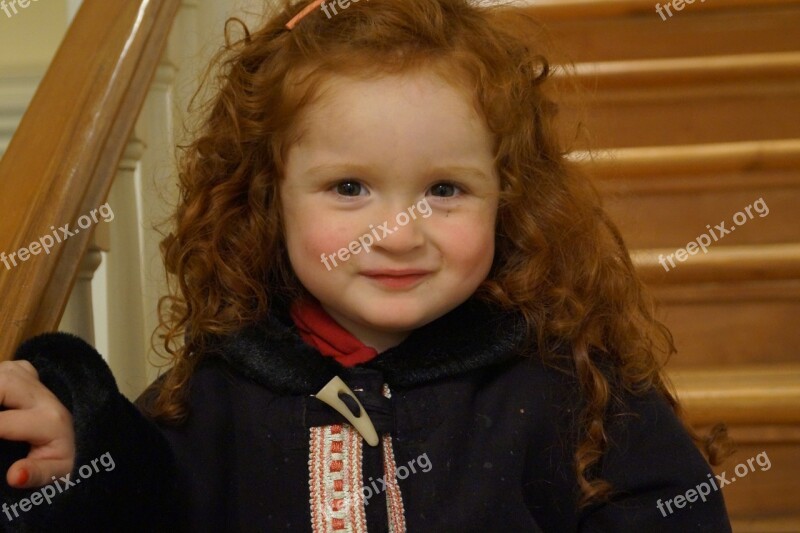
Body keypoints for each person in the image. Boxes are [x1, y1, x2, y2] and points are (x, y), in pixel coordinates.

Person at [0, 0, 732, 531]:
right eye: (349, 187)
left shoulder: (568, 387)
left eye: (445, 189)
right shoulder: (212, 397)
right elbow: (138, 503)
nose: (399, 233)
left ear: (507, 200)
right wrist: (83, 449)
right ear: (269, 199)